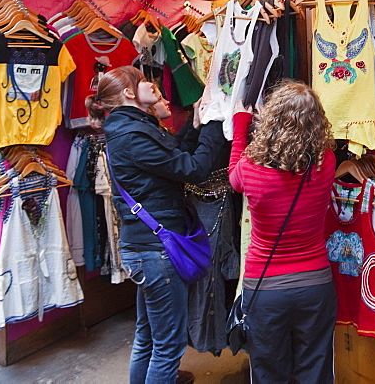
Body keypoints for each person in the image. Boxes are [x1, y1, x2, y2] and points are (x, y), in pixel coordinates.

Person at [85, 66, 224, 384]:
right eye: (144, 80)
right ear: (129, 92)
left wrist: (196, 122)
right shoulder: (134, 135)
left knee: (148, 338)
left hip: (147, 249)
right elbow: (195, 167)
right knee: (168, 347)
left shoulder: (134, 127)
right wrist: (215, 123)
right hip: (155, 251)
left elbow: (175, 154)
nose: (153, 85)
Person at [229, 80, 337, 383]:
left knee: (268, 373)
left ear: (271, 119)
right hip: (315, 285)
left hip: (265, 290)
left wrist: (241, 127)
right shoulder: (325, 163)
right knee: (315, 371)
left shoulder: (250, 167)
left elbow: (234, 178)